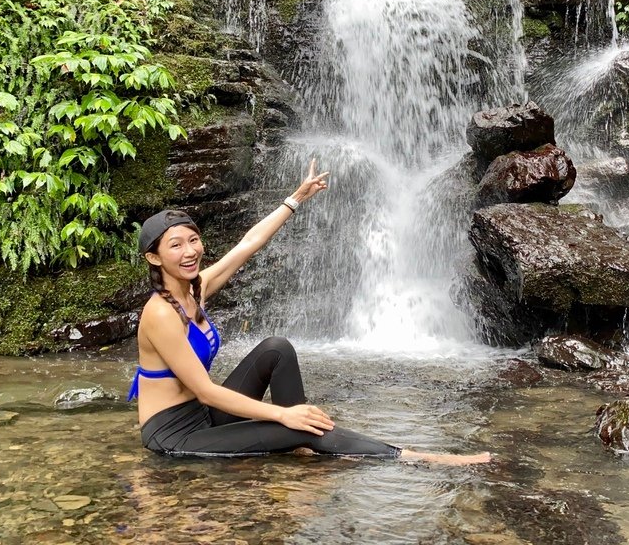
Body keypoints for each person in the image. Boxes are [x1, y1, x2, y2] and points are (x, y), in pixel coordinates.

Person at [128, 159, 491, 465]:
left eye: (193, 240)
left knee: (276, 348)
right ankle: (411, 456)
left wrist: (296, 198)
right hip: (175, 433)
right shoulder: (159, 313)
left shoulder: (196, 288)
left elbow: (248, 244)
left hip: (202, 417)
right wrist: (282, 414)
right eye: (175, 245)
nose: (189, 251)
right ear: (154, 257)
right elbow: (206, 391)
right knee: (295, 423)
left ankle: (300, 439)